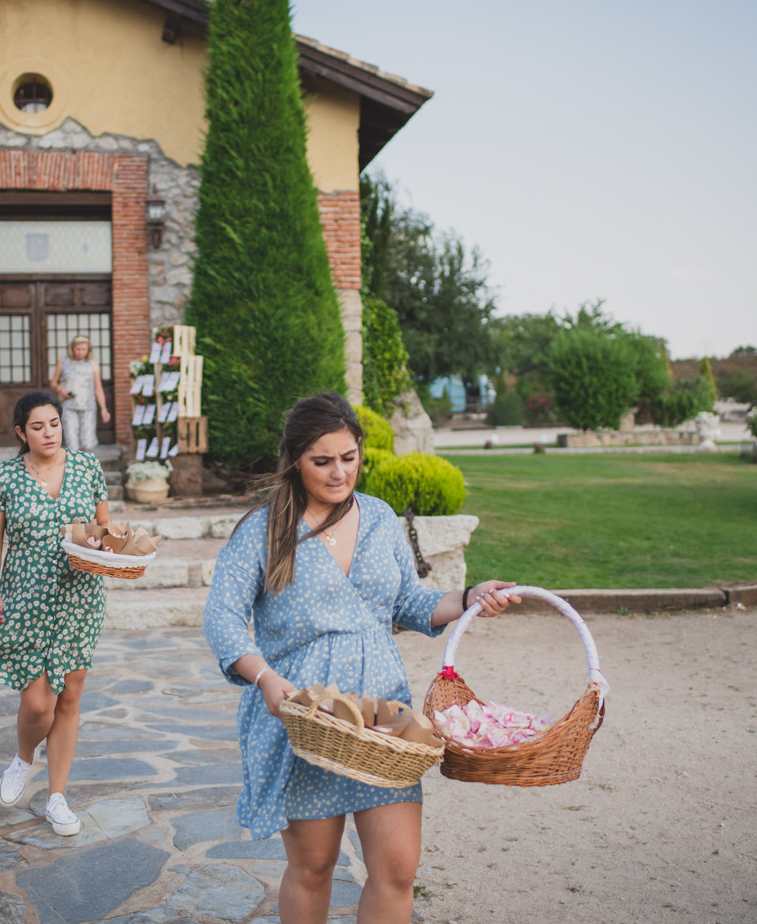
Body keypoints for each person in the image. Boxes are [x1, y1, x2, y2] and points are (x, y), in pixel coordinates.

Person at [203, 392, 520, 924]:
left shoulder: (378, 517)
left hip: (383, 722)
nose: (339, 473)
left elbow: (409, 603)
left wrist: (469, 597)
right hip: (308, 722)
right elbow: (223, 619)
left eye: (349, 458)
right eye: (322, 461)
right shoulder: (264, 528)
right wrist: (264, 678)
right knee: (314, 868)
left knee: (397, 869)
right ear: (295, 460)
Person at [0, 391, 112, 837]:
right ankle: (24, 757)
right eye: (37, 426)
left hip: (79, 598)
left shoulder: (87, 467)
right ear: (20, 433)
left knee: (69, 698)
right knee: (37, 702)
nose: (48, 433)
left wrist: (105, 546)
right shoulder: (2, 477)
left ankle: (56, 798)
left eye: (54, 423)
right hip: (25, 599)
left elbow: (104, 529)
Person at [48, 335, 110, 451]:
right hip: (69, 406)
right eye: (78, 349)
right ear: (72, 349)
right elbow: (53, 383)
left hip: (88, 407)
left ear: (88, 350)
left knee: (88, 443)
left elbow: (98, 388)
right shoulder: (63, 362)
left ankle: (87, 462)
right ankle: (73, 462)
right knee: (72, 443)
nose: (81, 352)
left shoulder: (93, 364)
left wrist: (103, 408)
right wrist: (61, 389)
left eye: (83, 349)